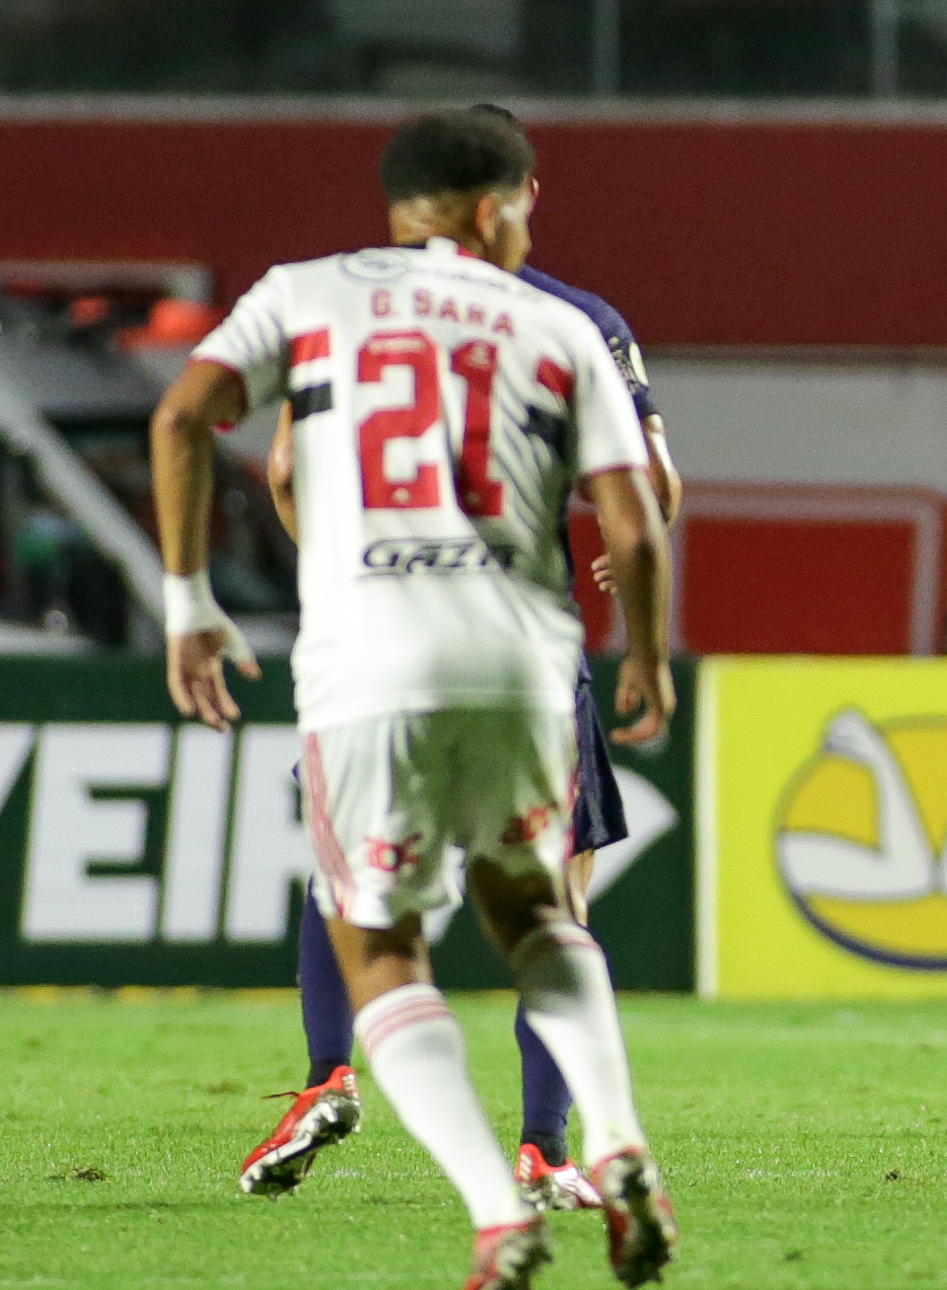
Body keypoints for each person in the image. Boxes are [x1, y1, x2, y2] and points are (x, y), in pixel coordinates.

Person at [151, 110, 678, 1288]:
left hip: (371, 651)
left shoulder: (309, 296)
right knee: (544, 911)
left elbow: (217, 433)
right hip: (523, 653)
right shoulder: (564, 321)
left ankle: (488, 1200)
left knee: (377, 932)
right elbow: (643, 506)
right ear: (498, 205)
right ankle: (604, 1138)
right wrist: (647, 649)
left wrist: (190, 597)